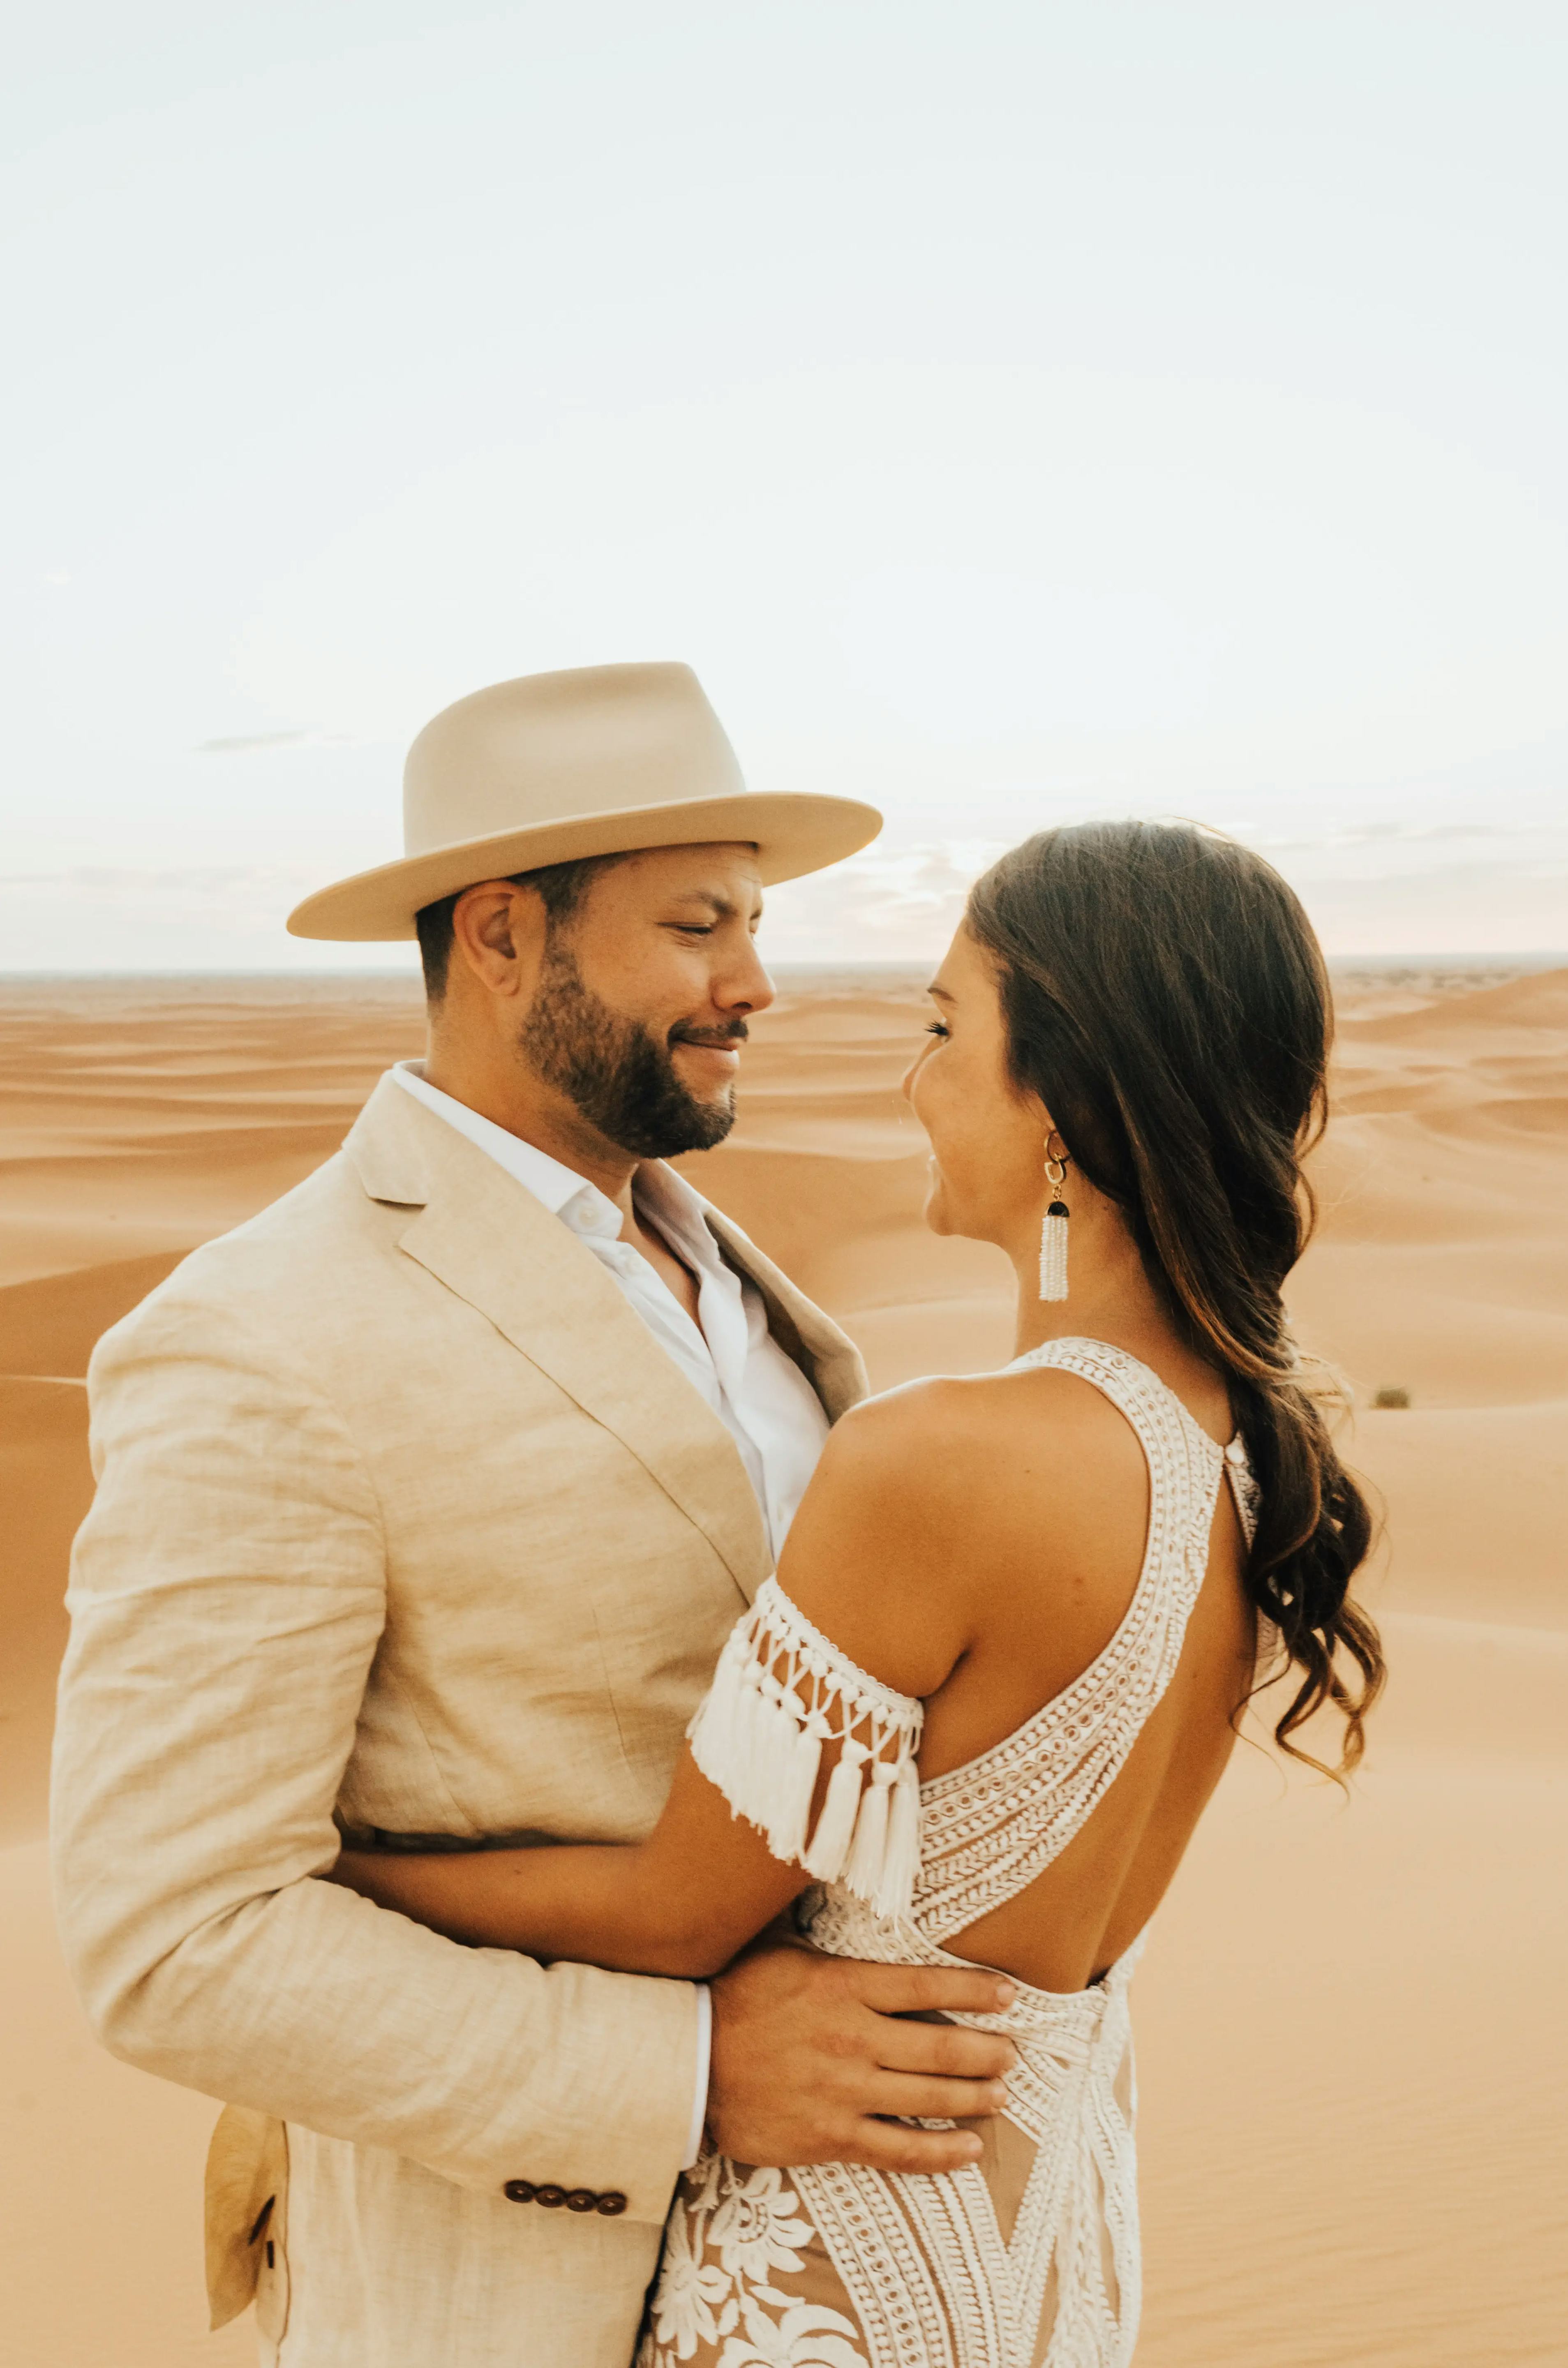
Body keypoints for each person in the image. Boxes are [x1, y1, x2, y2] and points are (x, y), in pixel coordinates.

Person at [50, 662, 1023, 2368]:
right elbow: (175, 1937)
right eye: (702, 926)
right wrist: (699, 2072)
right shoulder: (263, 1332)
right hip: (508, 2307)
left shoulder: (744, 1286)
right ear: (501, 936)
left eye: (756, 925)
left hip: (858, 2284)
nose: (756, 983)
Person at [329, 818, 1386, 2368]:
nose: (920, 1079)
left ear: (1065, 1105)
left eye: (949, 1028)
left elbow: (674, 1913)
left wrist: (337, 1872)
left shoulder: (943, 1458)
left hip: (841, 2275)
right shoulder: (1246, 1459)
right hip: (1056, 2257)